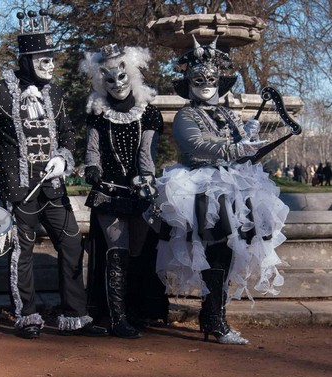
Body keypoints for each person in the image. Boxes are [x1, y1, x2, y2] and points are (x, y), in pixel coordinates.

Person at [0, 9, 107, 340]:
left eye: (52, 57)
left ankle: (75, 314)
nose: (50, 64)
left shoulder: (57, 94)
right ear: (25, 58)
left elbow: (68, 137)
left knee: (72, 243)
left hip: (53, 188)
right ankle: (27, 315)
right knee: (21, 252)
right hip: (18, 189)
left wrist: (64, 158)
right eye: (43, 57)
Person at [154, 36, 289, 345]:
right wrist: (234, 146)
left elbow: (242, 146)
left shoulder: (227, 113)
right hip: (201, 189)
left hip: (232, 187)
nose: (205, 84)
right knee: (214, 249)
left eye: (210, 79)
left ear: (220, 82)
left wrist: (248, 137)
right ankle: (214, 319)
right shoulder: (187, 115)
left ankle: (213, 316)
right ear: (189, 81)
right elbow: (194, 144)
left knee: (226, 252)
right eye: (199, 78)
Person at [79, 44, 167, 338]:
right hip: (108, 194)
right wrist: (92, 168)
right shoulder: (97, 113)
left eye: (121, 77)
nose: (117, 84)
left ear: (132, 74)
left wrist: (147, 180)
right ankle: (117, 319)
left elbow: (146, 154)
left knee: (138, 253)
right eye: (109, 79)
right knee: (116, 252)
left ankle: (135, 310)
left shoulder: (148, 113)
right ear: (100, 80)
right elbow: (92, 150)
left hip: (138, 193)